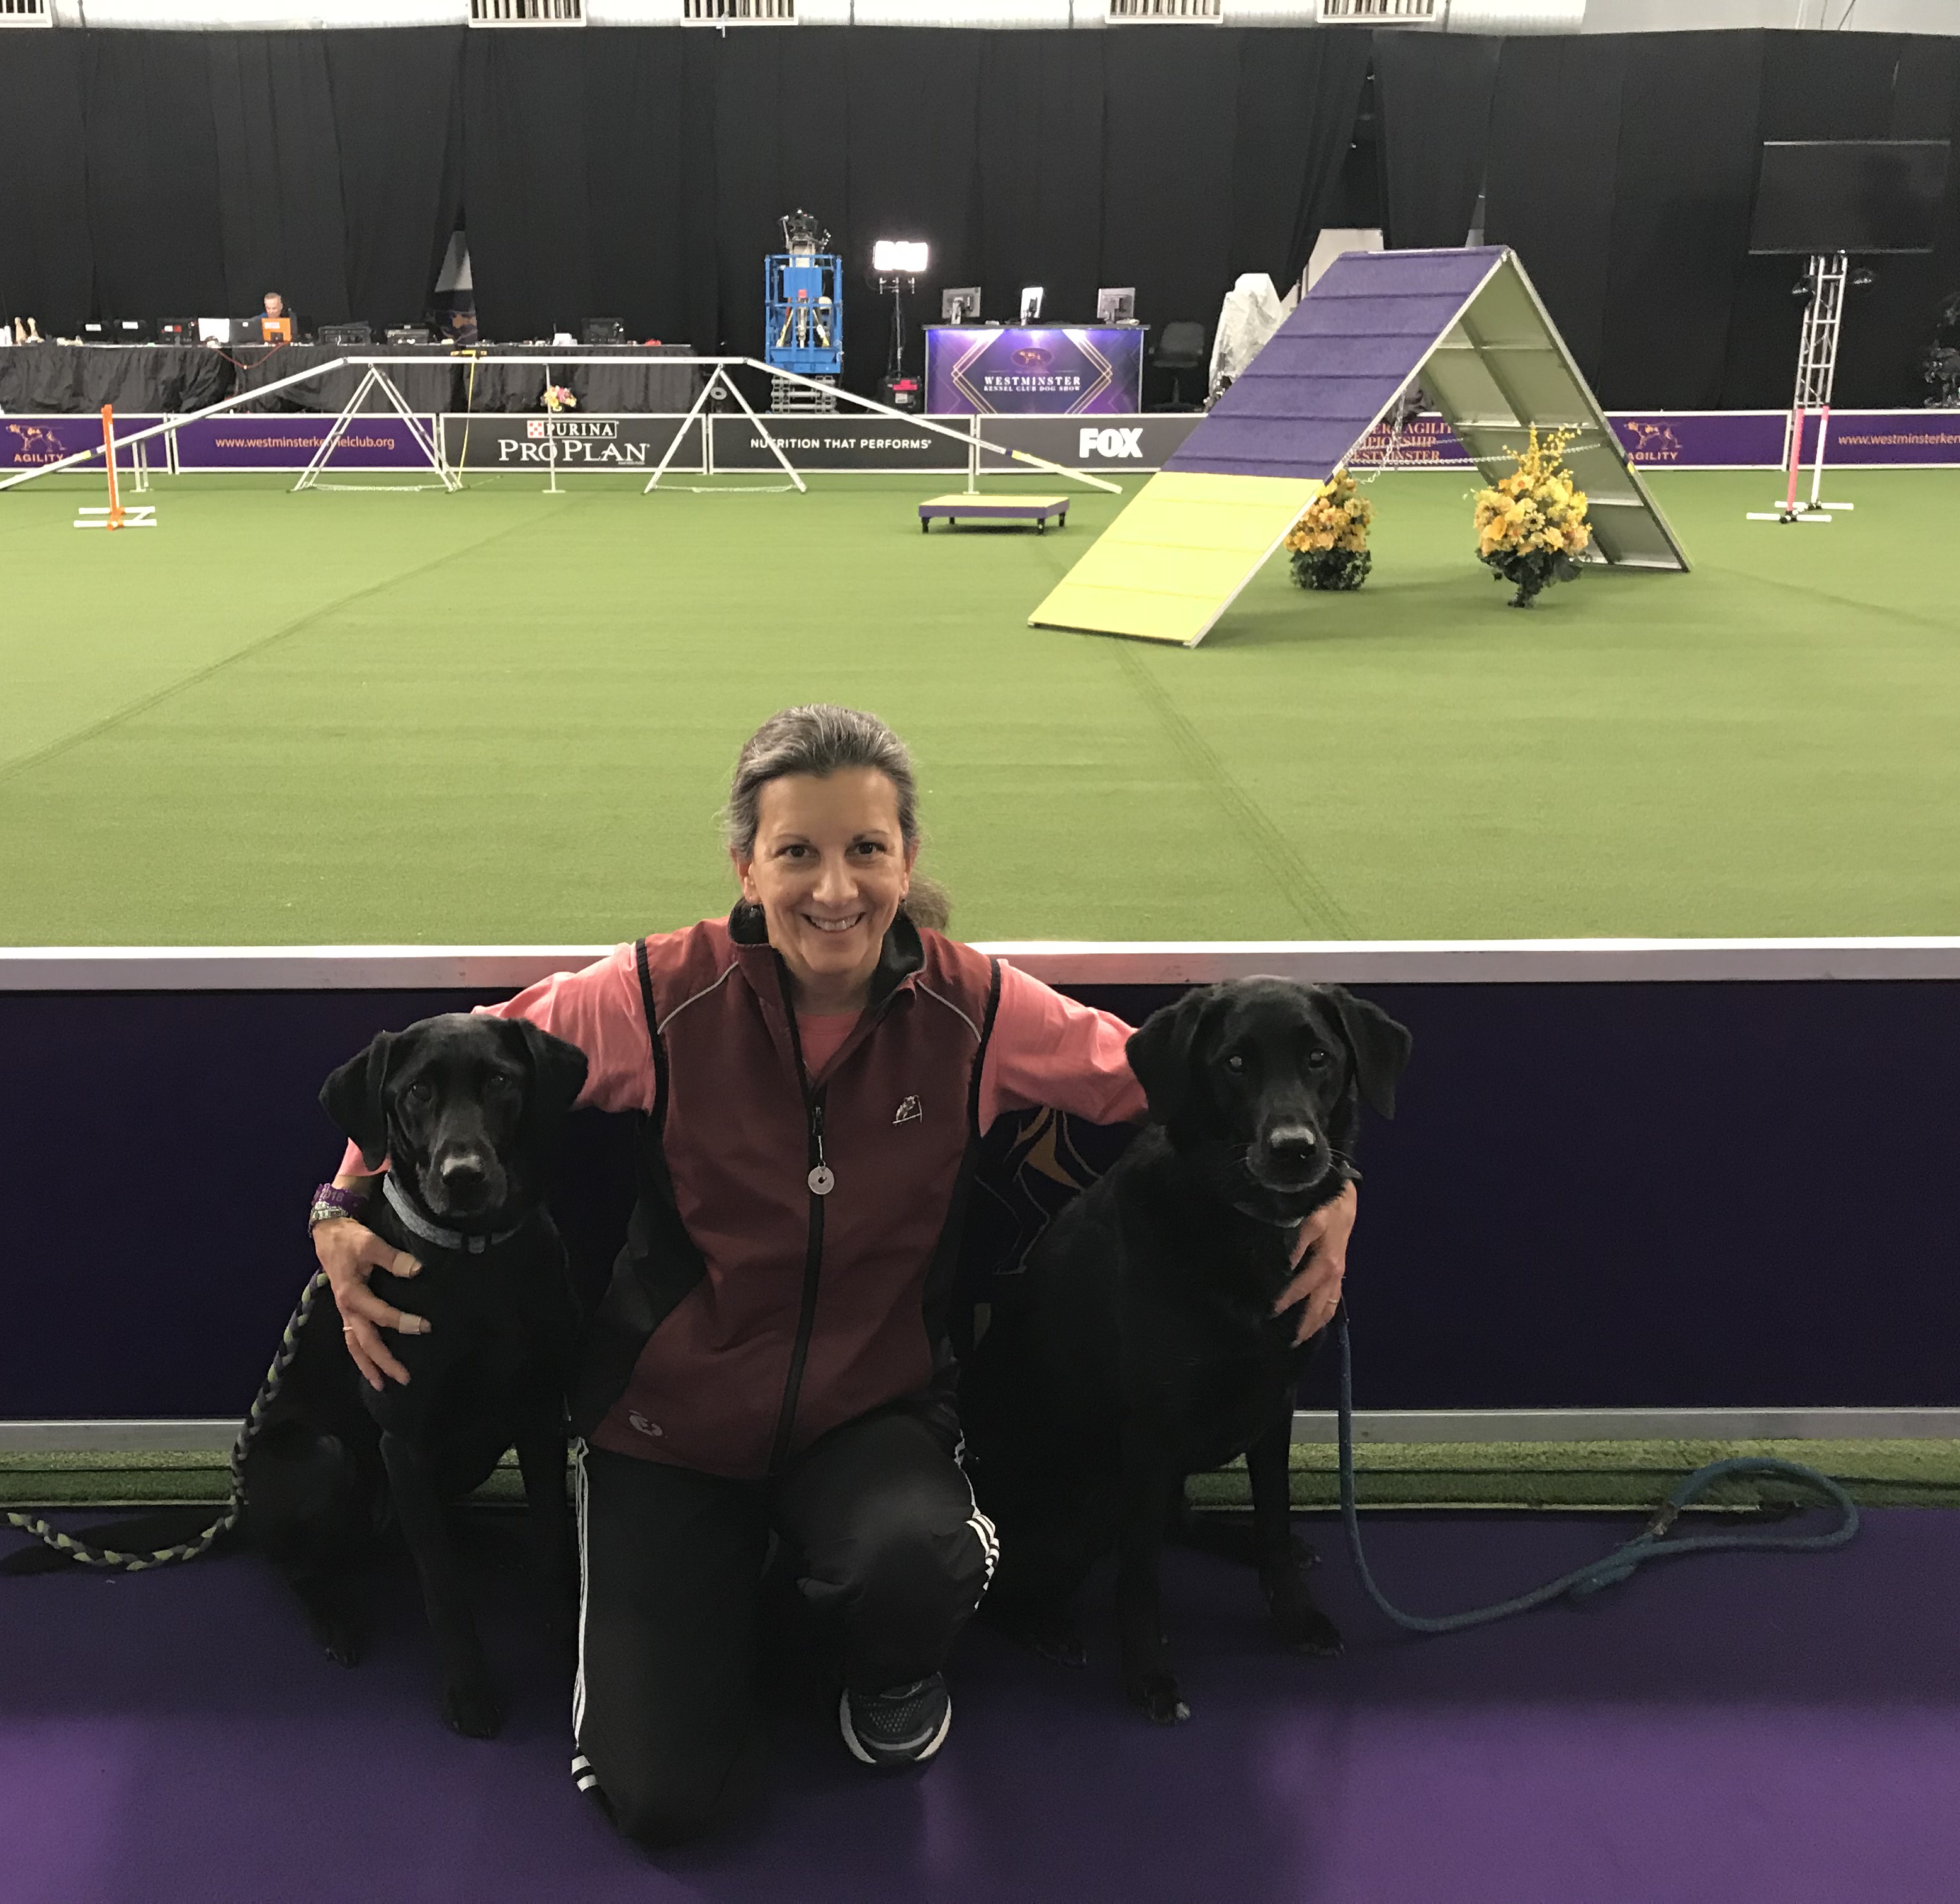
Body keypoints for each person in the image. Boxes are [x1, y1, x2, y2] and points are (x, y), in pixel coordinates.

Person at [310, 706, 1362, 1848]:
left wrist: (1329, 1188)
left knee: (917, 1558)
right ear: (745, 867)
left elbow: (1172, 1082)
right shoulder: (653, 996)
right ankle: (724, 1603)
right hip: (670, 1420)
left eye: (866, 849)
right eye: (796, 851)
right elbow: (466, 1045)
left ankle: (884, 1664)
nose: (834, 887)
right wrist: (336, 1205)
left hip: (873, 1411)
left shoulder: (978, 1007)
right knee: (667, 1799)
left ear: (906, 859)